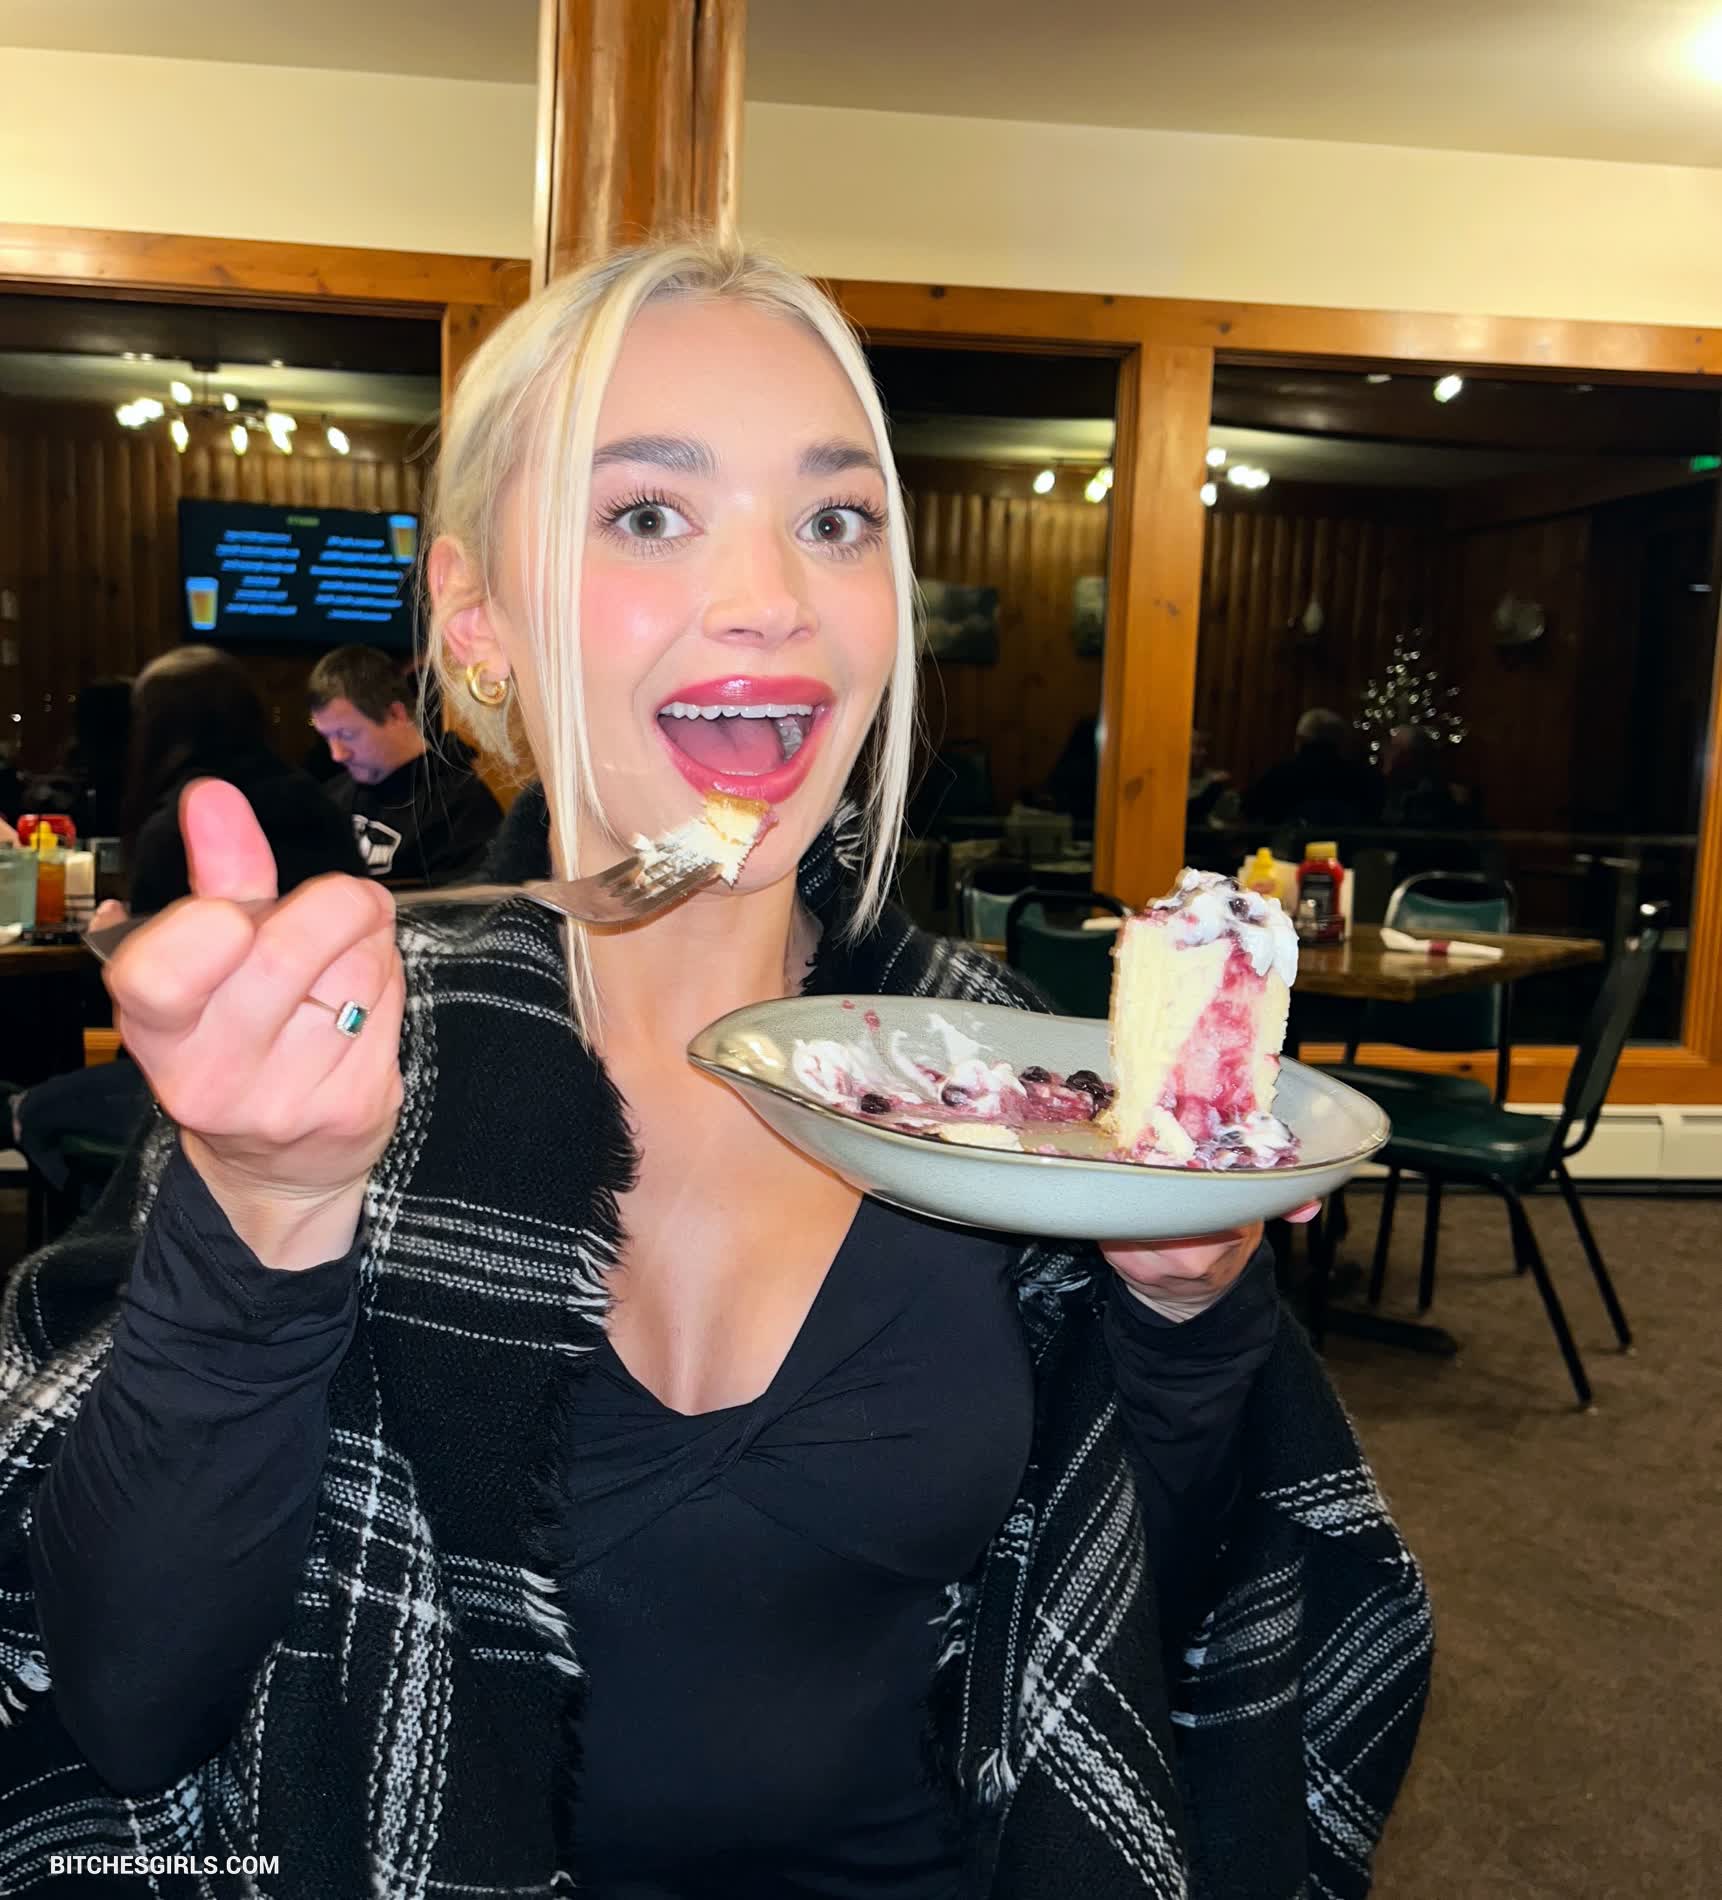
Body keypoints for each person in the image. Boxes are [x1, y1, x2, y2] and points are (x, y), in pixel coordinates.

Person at [1, 242, 1429, 1899]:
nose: (771, 597)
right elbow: (129, 1708)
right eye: (647, 512)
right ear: (477, 617)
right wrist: (261, 1208)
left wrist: (1182, 1313)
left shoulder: (1006, 1080)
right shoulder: (338, 1063)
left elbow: (1157, 1631)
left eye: (836, 520)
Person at [6, 647, 363, 1193]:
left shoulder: (177, 823)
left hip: (209, 1089)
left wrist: (114, 939)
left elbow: (153, 1004)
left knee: (35, 1109)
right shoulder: (318, 805)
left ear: (155, 728)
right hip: (334, 1069)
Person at [308, 644, 501, 883]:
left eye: (347, 734)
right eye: (327, 737)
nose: (337, 754)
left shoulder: (462, 807)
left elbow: (464, 902)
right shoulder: (332, 798)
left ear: (396, 714)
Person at [1242, 705, 1384, 836]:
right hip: (1347, 854)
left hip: (1284, 854)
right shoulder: (1364, 778)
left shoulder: (1279, 776)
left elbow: (1251, 812)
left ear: (1300, 740)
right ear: (1341, 741)